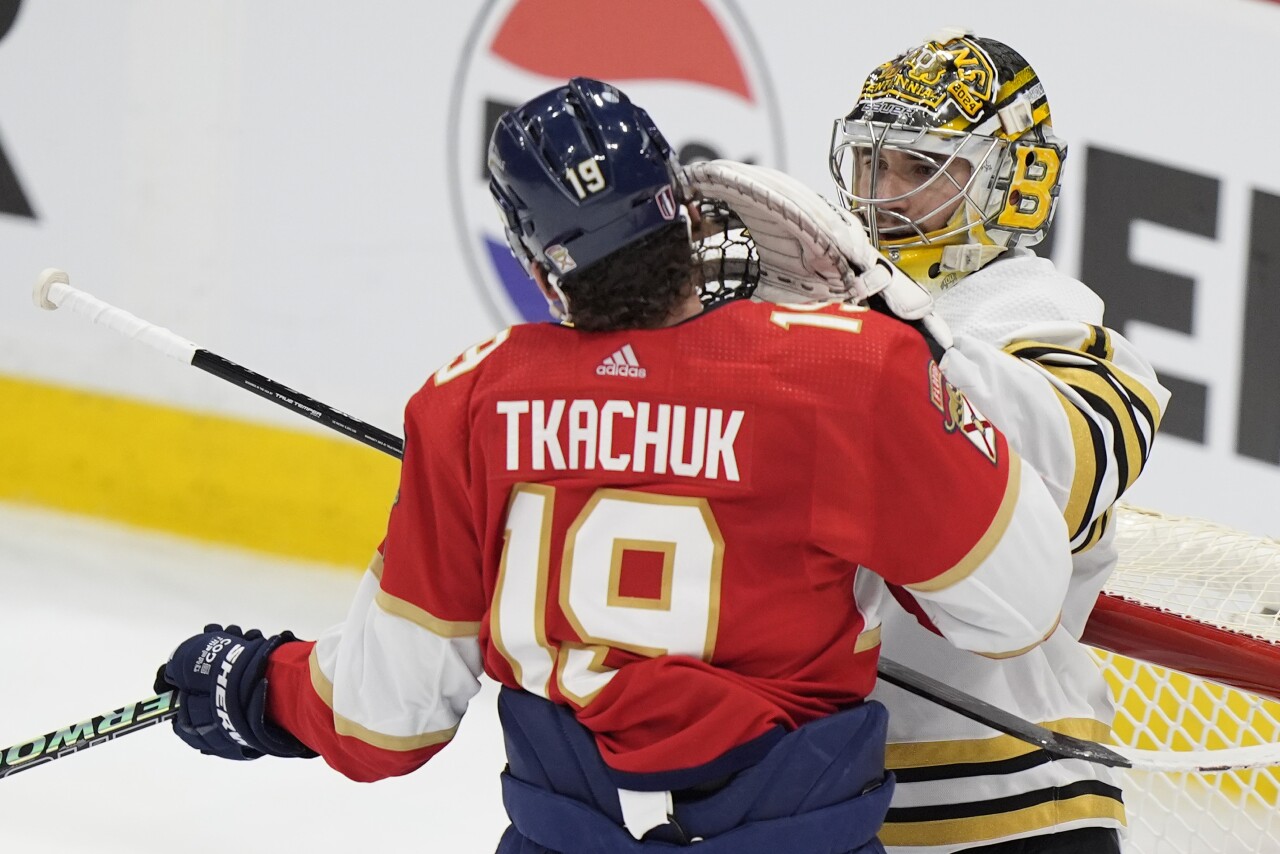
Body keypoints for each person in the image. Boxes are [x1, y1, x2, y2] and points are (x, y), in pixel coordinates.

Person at [154, 76, 1077, 853]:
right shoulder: (850, 371)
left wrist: (257, 685)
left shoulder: (469, 401)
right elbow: (1016, 611)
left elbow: (384, 717)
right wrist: (926, 365)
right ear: (683, 207)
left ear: (534, 260)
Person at [826, 30, 1171, 853]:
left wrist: (895, 332)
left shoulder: (1048, 321)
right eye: (872, 162)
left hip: (1014, 793)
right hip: (819, 792)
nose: (883, 193)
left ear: (1012, 182)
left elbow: (1060, 479)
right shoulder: (828, 307)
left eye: (920, 168)